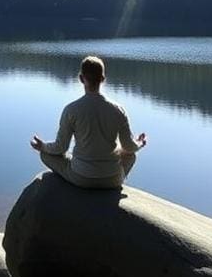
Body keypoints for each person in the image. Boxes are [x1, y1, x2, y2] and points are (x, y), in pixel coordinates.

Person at [30, 55, 147, 189]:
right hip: (112, 179)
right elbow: (129, 147)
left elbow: (60, 148)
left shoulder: (71, 110)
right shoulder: (118, 110)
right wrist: (140, 143)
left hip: (81, 178)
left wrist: (42, 146)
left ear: (81, 78)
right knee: (130, 155)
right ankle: (113, 180)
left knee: (45, 155)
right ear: (103, 79)